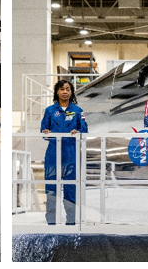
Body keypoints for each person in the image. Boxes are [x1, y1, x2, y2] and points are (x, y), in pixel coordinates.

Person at [40, 80, 89, 225]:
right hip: (53, 155)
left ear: (72, 92)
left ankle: (72, 220)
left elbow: (85, 130)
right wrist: (46, 132)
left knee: (71, 187)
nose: (65, 92)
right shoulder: (50, 110)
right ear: (57, 92)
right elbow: (43, 131)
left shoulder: (78, 111)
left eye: (68, 89)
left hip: (71, 155)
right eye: (62, 89)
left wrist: (78, 132)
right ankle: (51, 220)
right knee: (51, 188)